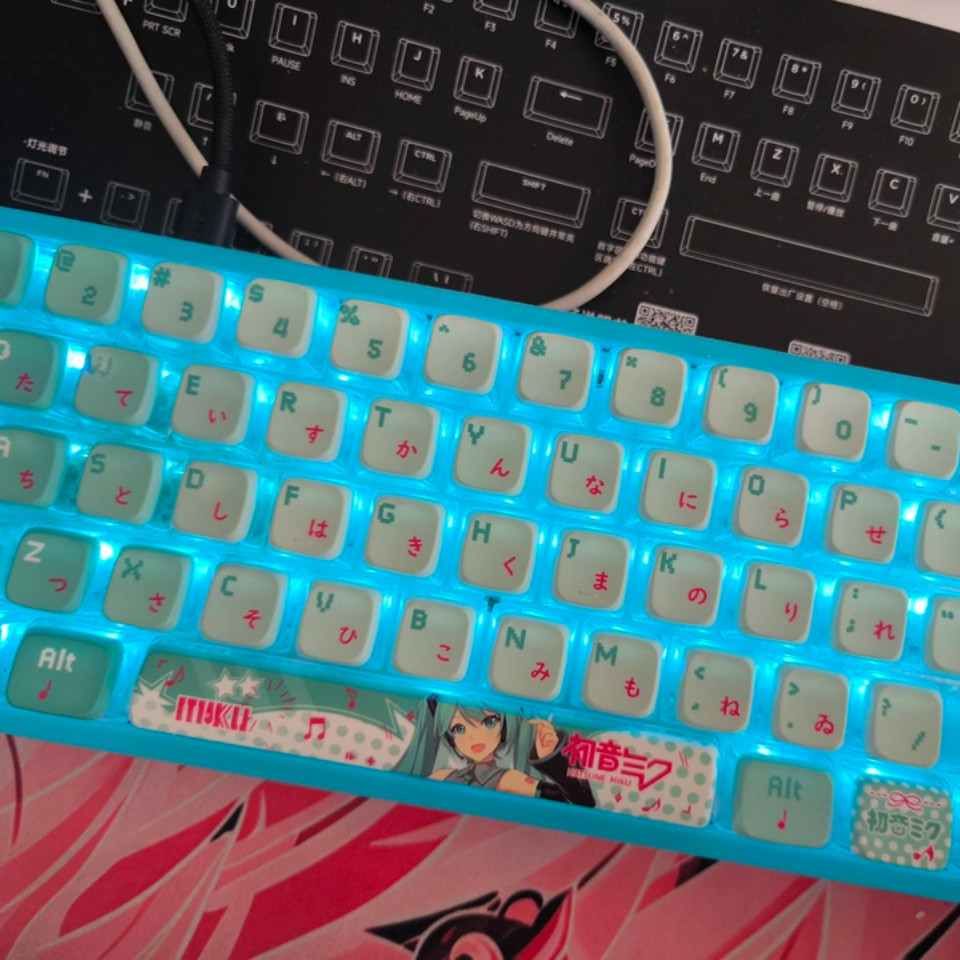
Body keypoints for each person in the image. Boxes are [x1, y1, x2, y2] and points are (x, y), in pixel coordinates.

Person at [394, 697, 595, 806]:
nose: (474, 737)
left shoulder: (510, 780)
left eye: (489, 722)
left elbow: (582, 802)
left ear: (503, 727)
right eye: (459, 729)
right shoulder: (442, 776)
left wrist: (552, 759)